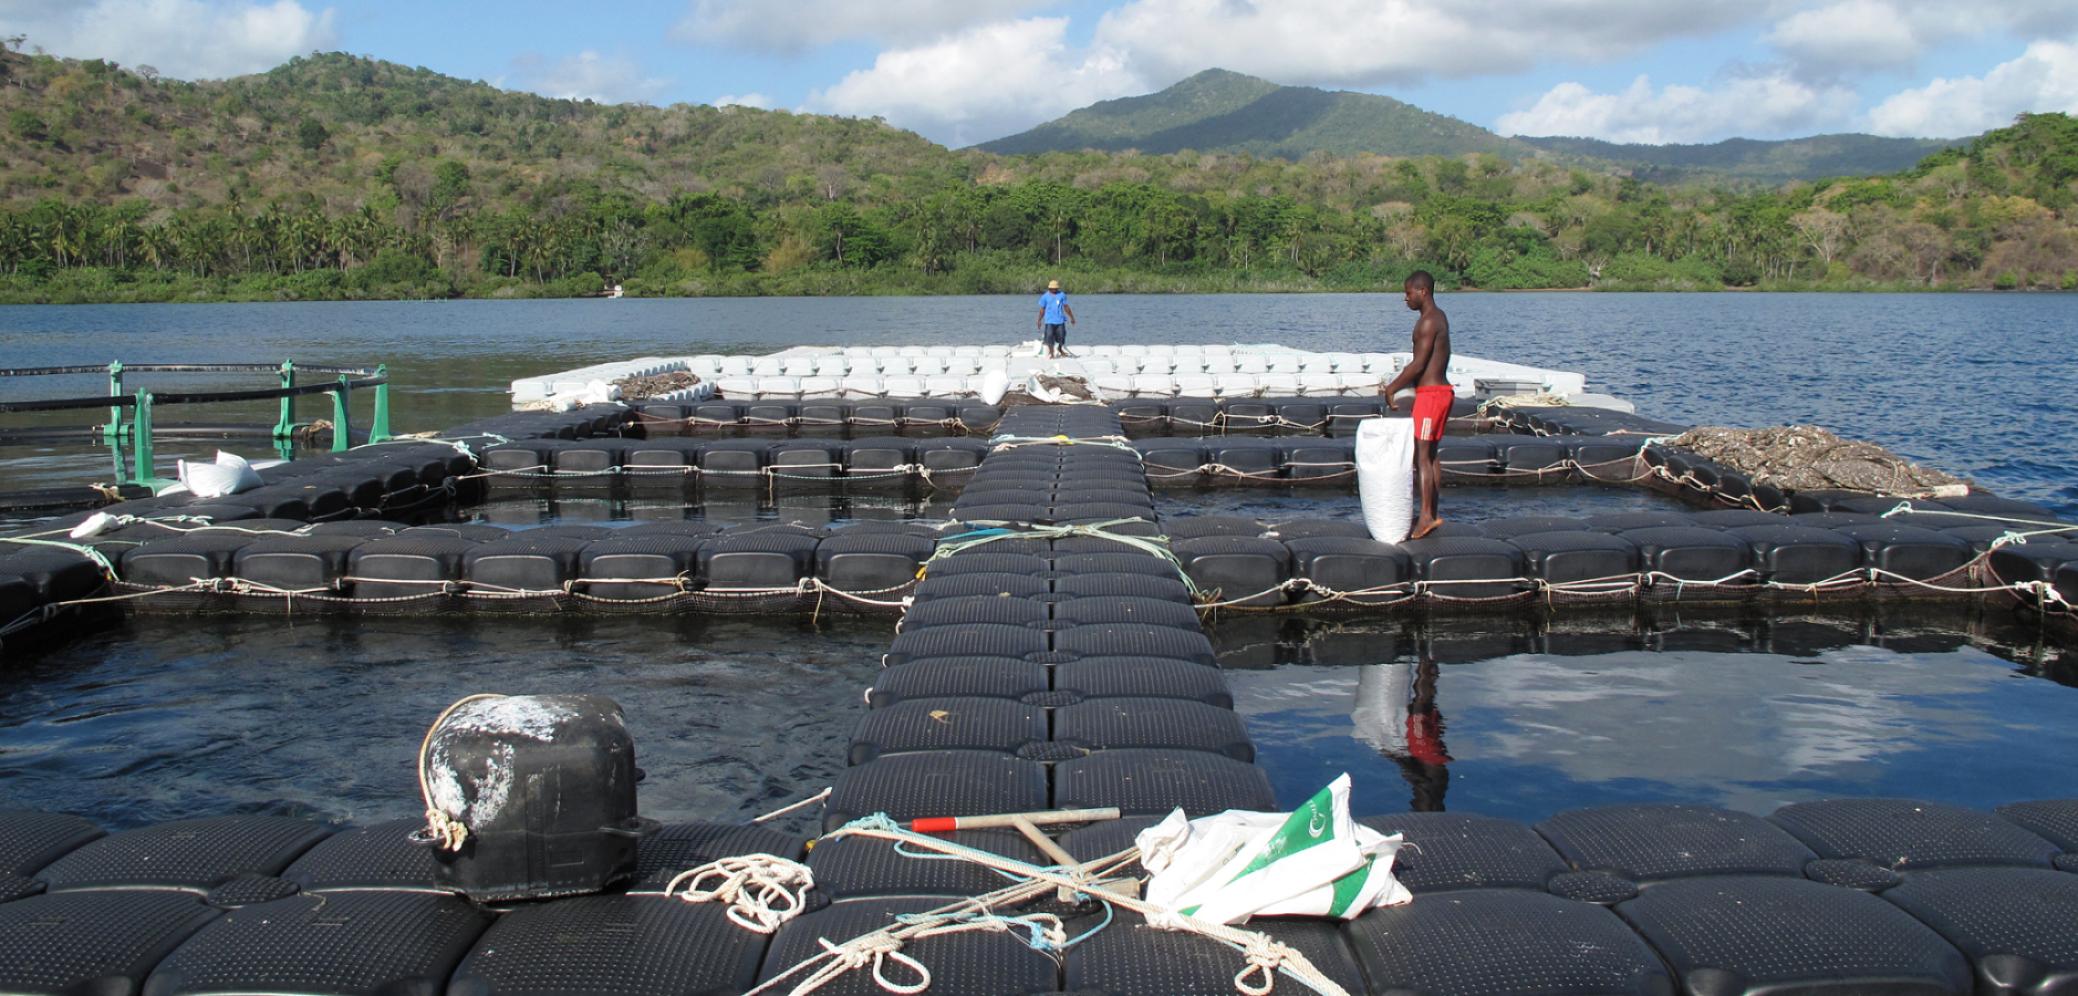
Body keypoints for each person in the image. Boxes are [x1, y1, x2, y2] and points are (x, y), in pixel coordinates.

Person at [1378, 271, 1452, 539]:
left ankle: (1425, 517)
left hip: (1431, 395)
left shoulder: (1427, 323)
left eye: (1408, 293)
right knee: (1430, 454)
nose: (1405, 298)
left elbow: (1418, 364)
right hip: (1440, 392)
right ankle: (1431, 512)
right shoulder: (1438, 317)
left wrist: (1392, 387)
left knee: (1421, 456)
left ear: (1423, 292)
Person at [1036, 279, 1076, 358]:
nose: (1054, 290)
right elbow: (1042, 309)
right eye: (1052, 289)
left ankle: (1060, 348)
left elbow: (1066, 307)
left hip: (1060, 320)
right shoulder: (1045, 297)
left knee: (1062, 336)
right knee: (1049, 336)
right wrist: (1039, 320)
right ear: (1049, 288)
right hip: (1049, 320)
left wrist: (1072, 317)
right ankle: (1051, 352)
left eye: (1056, 289)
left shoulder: (1062, 295)